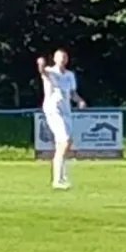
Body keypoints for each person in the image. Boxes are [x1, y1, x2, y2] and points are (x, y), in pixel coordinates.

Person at [36, 49, 86, 190]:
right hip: (53, 110)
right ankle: (58, 179)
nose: (63, 59)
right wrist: (40, 64)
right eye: (60, 57)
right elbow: (42, 72)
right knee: (65, 141)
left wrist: (80, 101)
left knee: (63, 145)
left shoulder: (70, 75)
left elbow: (72, 93)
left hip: (66, 111)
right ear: (55, 59)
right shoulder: (50, 71)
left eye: (65, 57)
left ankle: (60, 177)